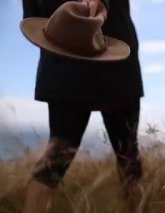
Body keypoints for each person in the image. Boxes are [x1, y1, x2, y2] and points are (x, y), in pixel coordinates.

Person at [21, 0, 144, 212]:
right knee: (128, 156)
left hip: (71, 64)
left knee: (56, 159)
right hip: (104, 62)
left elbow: (34, 16)